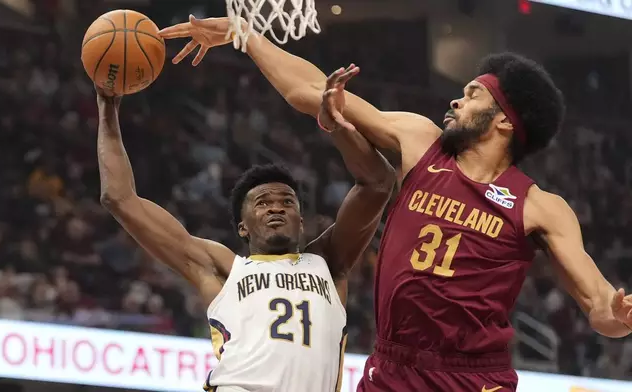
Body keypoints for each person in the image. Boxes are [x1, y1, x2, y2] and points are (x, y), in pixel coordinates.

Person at [159, 16, 632, 391]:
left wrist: (620, 313)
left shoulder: (540, 206)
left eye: (471, 96)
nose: (455, 101)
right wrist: (247, 36)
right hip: (392, 364)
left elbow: (599, 307)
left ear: (504, 121)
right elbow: (312, 92)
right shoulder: (421, 141)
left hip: (471, 378)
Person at [95, 67, 394, 392]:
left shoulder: (328, 262)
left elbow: (378, 182)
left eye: (287, 202)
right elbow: (120, 198)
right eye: (263, 203)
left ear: (302, 221)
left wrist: (335, 125)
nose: (277, 207)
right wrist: (107, 109)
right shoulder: (223, 268)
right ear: (242, 227)